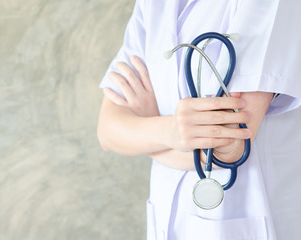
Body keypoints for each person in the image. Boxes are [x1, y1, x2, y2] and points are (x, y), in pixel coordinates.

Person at [97, 0, 301, 239]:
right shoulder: (152, 5)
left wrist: (147, 136)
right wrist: (169, 132)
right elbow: (108, 131)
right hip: (168, 220)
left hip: (246, 215)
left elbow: (228, 148)